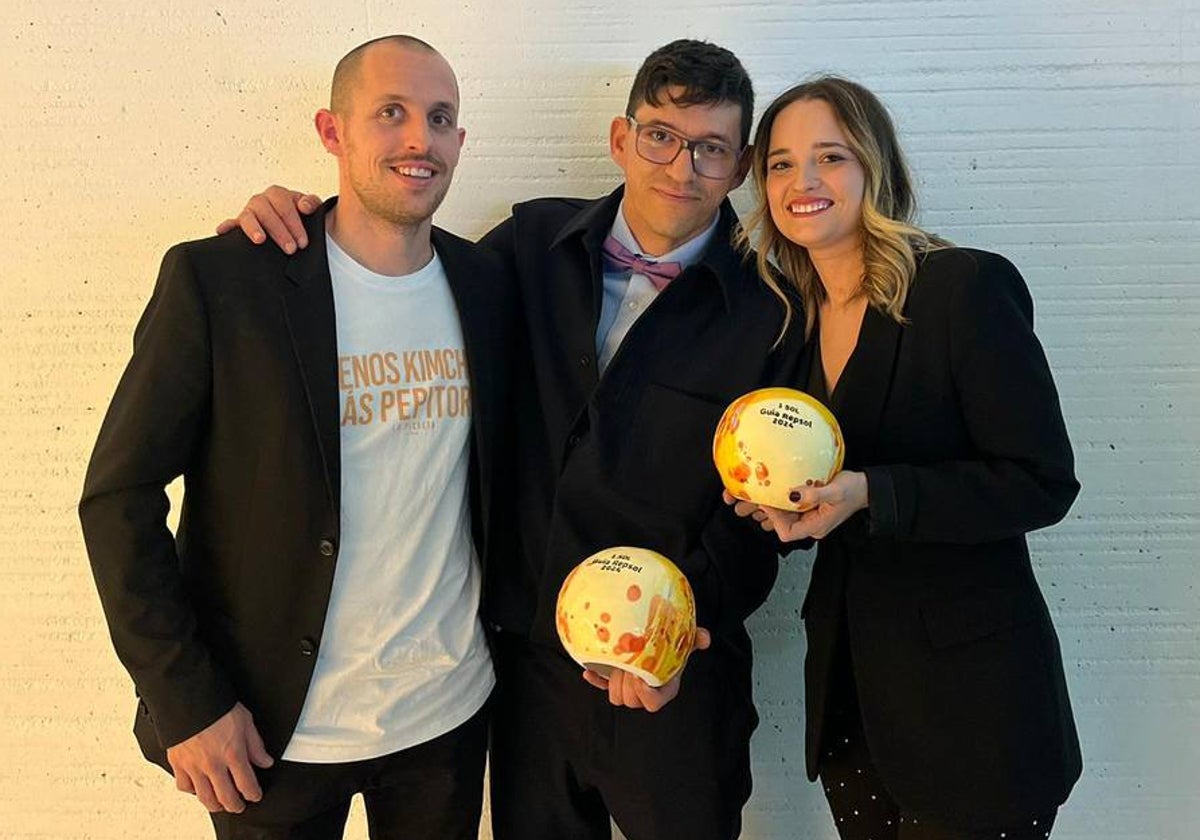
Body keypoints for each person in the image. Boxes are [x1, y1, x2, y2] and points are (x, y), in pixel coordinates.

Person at [221, 39, 806, 840]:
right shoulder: (524, 250)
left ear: (739, 168)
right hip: (522, 679)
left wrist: (676, 632)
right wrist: (295, 224)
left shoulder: (772, 311)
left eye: (710, 149)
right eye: (660, 136)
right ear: (620, 139)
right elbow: (396, 262)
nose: (681, 167)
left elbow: (768, 511)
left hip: (676, 681)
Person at [79, 35, 518, 839]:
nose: (420, 138)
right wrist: (185, 701)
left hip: (446, 719)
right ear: (332, 131)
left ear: (461, 141)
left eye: (441, 117)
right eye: (392, 113)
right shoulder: (225, 281)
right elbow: (118, 498)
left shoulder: (489, 284)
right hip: (270, 730)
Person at [727, 75, 1082, 839]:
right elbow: (812, 498)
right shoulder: (789, 322)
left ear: (875, 168)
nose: (804, 181)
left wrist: (871, 494)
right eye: (782, 164)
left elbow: (1041, 482)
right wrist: (775, 510)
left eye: (831, 156)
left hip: (972, 711)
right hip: (853, 701)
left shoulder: (962, 288)